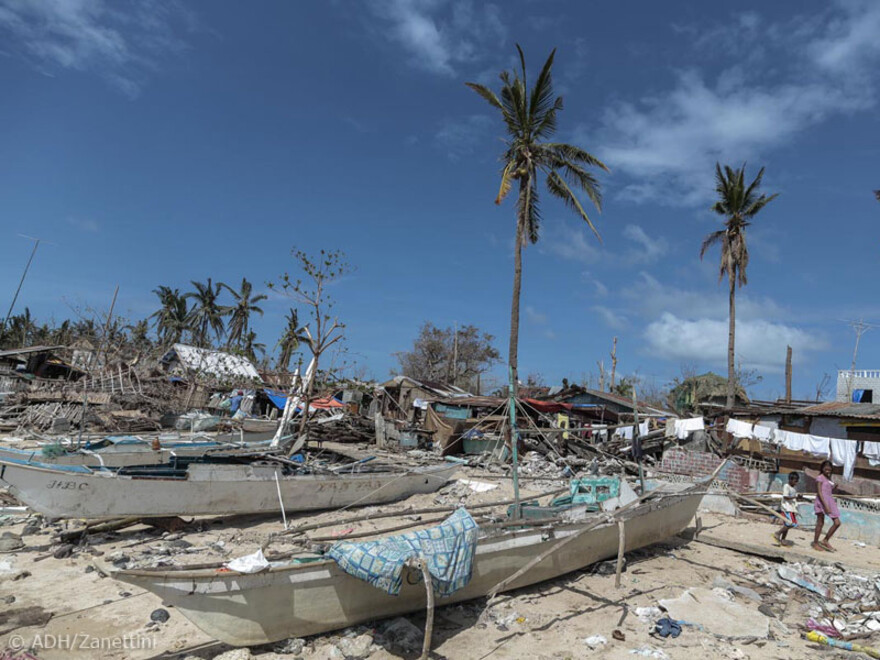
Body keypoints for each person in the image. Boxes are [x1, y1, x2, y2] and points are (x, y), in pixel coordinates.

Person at [812, 460, 842, 552]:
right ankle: (815, 542)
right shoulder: (820, 478)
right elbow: (820, 492)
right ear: (822, 469)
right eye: (826, 469)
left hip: (830, 501)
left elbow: (828, 491)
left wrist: (834, 487)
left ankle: (825, 540)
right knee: (820, 523)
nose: (828, 471)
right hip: (821, 502)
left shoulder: (829, 480)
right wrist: (825, 506)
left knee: (837, 523)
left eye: (829, 469)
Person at [773, 472, 800, 546]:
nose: (796, 482)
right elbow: (785, 497)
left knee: (787, 524)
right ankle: (778, 533)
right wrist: (795, 497)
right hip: (787, 508)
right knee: (792, 523)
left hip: (792, 508)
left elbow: (793, 497)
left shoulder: (794, 489)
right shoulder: (786, 486)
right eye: (795, 481)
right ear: (790, 480)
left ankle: (783, 539)